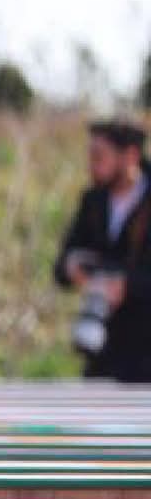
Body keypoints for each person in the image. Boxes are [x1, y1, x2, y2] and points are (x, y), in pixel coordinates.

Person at [53, 119, 151, 381]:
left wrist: (127, 285)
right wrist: (74, 269)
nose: (92, 166)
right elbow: (62, 264)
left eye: (99, 157)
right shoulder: (93, 201)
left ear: (130, 156)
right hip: (103, 348)